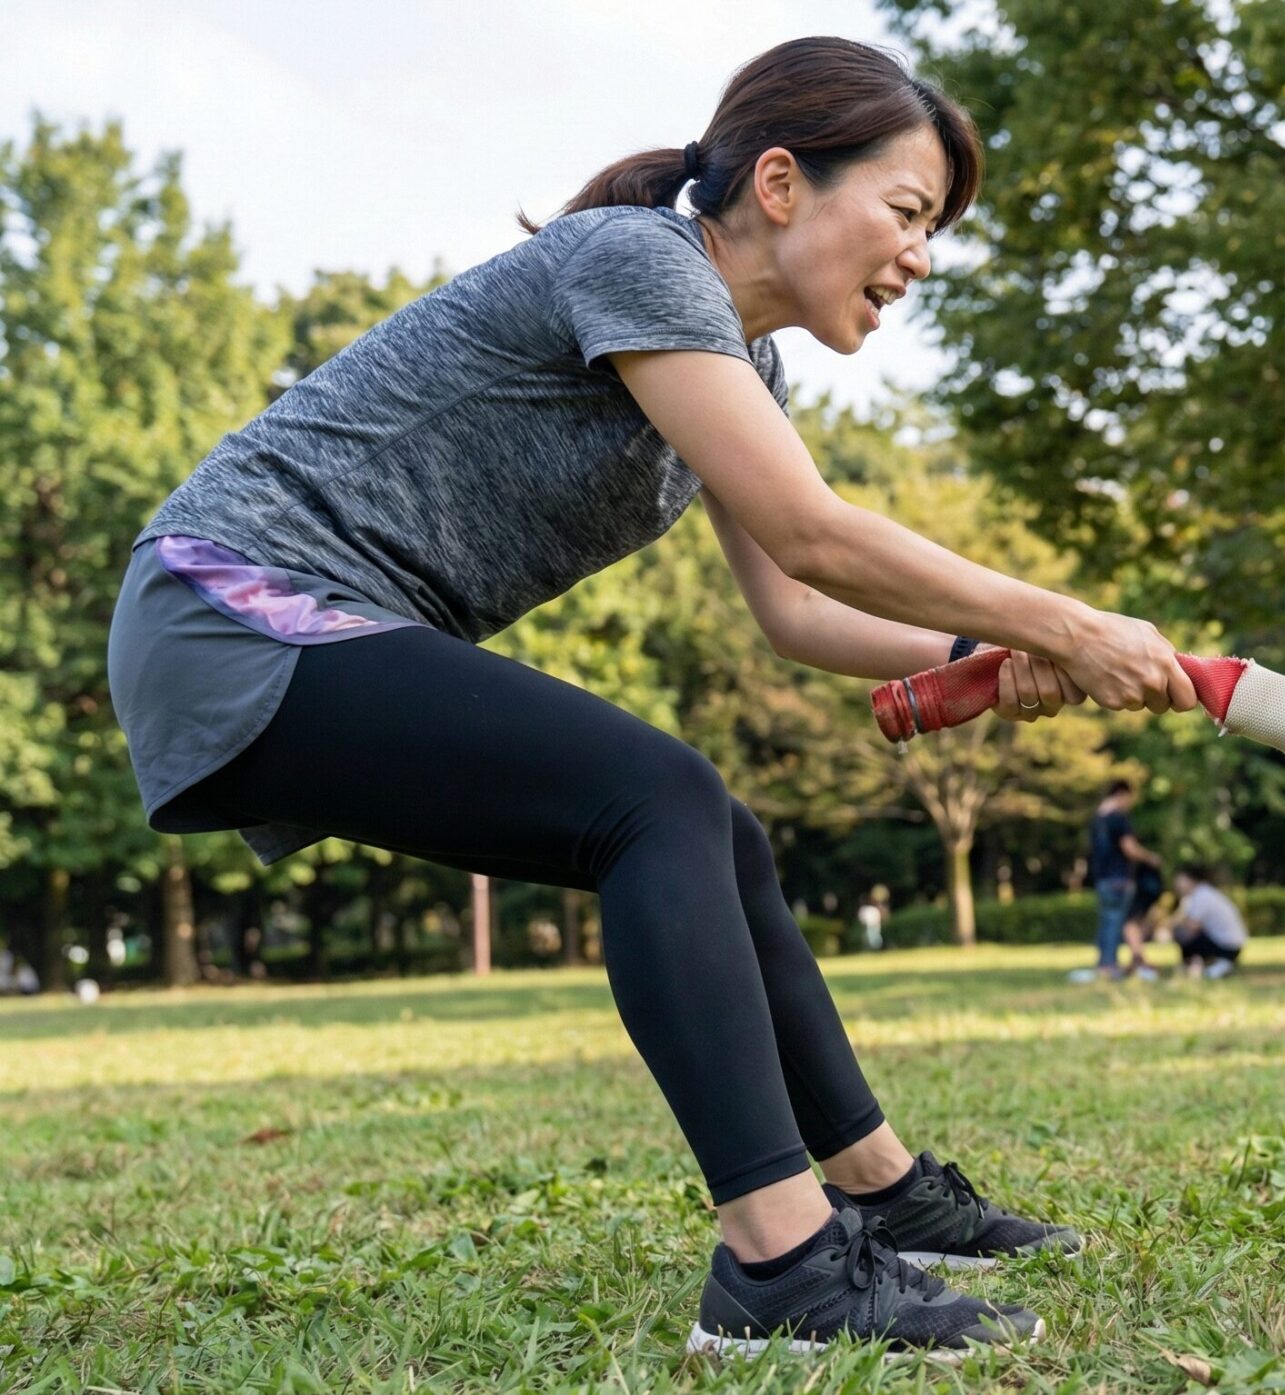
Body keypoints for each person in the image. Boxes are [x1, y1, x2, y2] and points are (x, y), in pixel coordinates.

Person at [104, 38, 1200, 1360]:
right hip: (234, 602)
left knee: (709, 827)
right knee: (655, 797)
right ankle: (781, 1261)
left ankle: (880, 1190)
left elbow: (795, 611)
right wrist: (1059, 617)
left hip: (299, 622)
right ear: (782, 183)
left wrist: (980, 645)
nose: (920, 257)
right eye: (907, 214)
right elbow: (811, 530)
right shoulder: (637, 260)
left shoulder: (742, 361)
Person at [1071, 779, 1163, 983]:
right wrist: (1151, 858)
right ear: (1122, 794)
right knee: (1115, 922)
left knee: (1106, 922)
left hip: (1102, 878)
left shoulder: (1097, 819)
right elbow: (1129, 849)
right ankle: (1108, 966)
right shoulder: (1118, 819)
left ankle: (1104, 962)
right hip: (1119, 878)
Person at [1169, 865, 1248, 979]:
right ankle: (1216, 965)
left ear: (1191, 880)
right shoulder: (1203, 893)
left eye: (1180, 879)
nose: (1177, 884)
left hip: (1227, 947)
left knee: (1181, 933)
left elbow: (1192, 926)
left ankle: (1198, 966)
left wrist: (1170, 926)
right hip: (1232, 944)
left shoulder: (1201, 896)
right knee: (1186, 933)